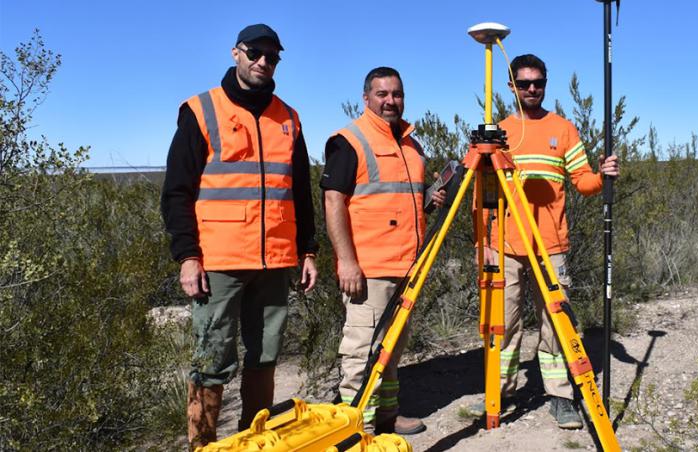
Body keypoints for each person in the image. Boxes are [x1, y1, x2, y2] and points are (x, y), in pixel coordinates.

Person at [160, 24, 318, 448]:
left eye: (272, 55)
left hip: (276, 261)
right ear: (236, 53)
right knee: (211, 359)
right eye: (255, 52)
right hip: (219, 263)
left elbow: (299, 192)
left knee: (265, 356)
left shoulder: (289, 117)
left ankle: (252, 441)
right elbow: (177, 191)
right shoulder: (201, 110)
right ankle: (204, 444)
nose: (263, 61)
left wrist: (308, 250)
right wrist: (187, 256)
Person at [468, 54, 620, 429]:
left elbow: (582, 181)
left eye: (538, 83)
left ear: (545, 84)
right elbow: (481, 196)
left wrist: (602, 176)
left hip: (551, 247)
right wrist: (484, 242)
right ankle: (499, 392)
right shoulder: (498, 132)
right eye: (524, 84)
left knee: (556, 322)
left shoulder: (563, 129)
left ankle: (560, 395)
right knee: (502, 323)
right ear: (511, 87)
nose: (532, 89)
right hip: (505, 246)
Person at [320, 66, 443, 436]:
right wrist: (347, 261)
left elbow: (394, 201)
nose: (391, 101)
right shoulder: (349, 140)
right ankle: (357, 431)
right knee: (362, 353)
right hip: (368, 268)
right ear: (366, 98)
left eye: (397, 94)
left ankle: (386, 415)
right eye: (382, 94)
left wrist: (427, 199)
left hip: (407, 266)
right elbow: (333, 201)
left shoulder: (410, 144)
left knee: (390, 350)